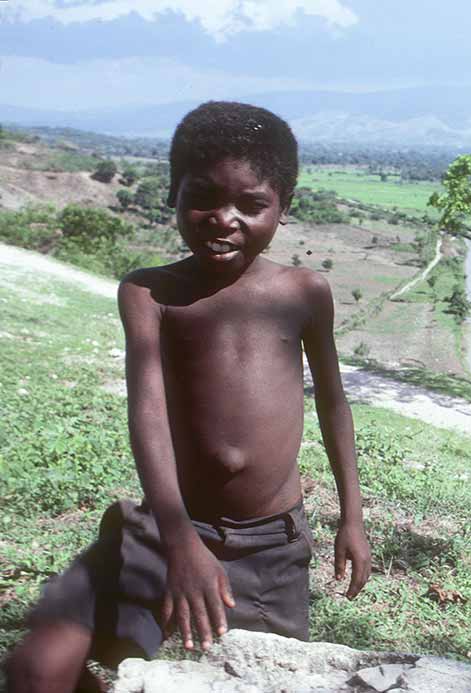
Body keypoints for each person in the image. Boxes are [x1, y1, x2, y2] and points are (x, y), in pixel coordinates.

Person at [5, 101, 371, 693]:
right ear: (173, 193)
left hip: (268, 545)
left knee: (263, 680)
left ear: (284, 207)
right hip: (166, 526)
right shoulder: (149, 293)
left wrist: (352, 517)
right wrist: (179, 541)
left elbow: (333, 403)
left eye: (251, 205)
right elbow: (148, 410)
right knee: (37, 669)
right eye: (203, 197)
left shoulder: (304, 292)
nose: (224, 219)